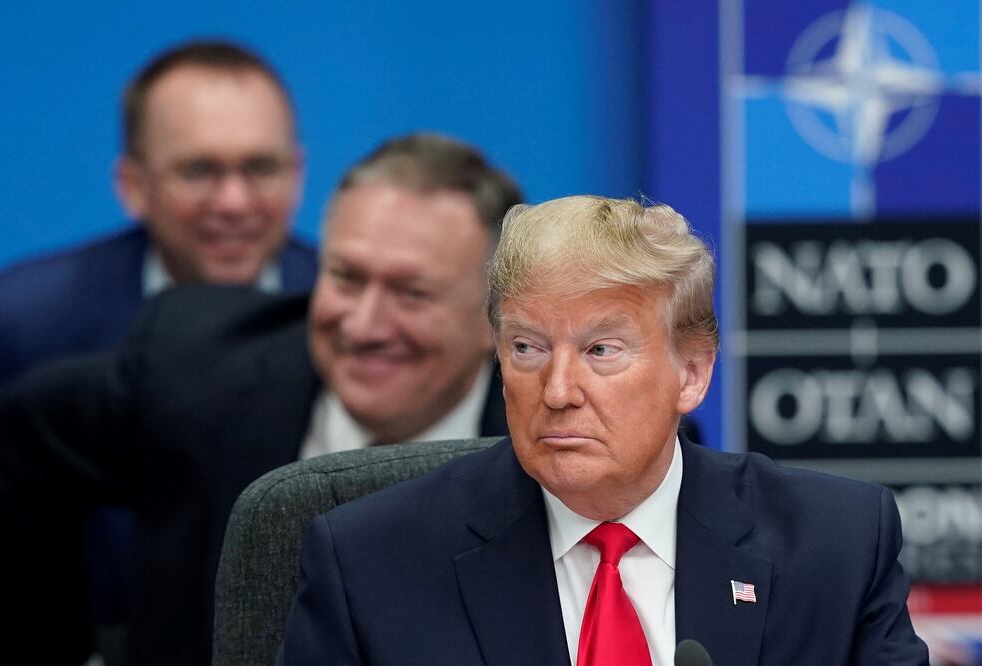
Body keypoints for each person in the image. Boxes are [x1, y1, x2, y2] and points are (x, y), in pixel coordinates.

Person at [278, 196, 928, 665]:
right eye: (527, 349)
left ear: (691, 374)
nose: (557, 392)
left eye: (600, 351)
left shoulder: (834, 545)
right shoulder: (369, 562)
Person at [0, 133, 522, 666]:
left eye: (412, 293)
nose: (363, 325)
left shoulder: (551, 449)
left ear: (495, 319)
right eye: (346, 278)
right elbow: (8, 446)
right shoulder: (198, 369)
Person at [0, 40, 316, 396]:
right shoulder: (25, 321)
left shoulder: (348, 319)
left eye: (261, 168)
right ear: (134, 186)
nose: (234, 203)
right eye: (198, 171)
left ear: (297, 176)